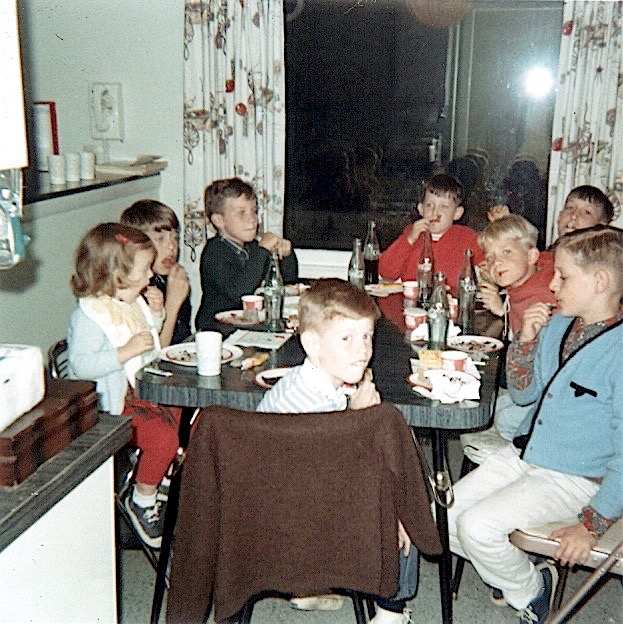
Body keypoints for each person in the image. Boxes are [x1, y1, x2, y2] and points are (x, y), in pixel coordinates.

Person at [447, 225, 623, 624]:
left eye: (563, 275)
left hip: (577, 477)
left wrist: (590, 524)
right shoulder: (559, 326)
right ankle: (531, 580)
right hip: (526, 453)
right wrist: (525, 341)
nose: (552, 283)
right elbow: (525, 394)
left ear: (600, 281)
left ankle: (531, 595)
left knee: (477, 527)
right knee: (443, 518)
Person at [258, 279, 435, 624]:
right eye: (346, 338)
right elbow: (335, 475)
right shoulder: (316, 403)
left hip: (276, 512)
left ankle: (309, 590)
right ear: (311, 343)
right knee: (406, 500)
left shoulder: (300, 383)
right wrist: (359, 419)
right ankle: (391, 612)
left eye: (367, 336)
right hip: (297, 527)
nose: (362, 349)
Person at [67, 223, 183, 548]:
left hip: (137, 392)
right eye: (145, 269)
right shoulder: (89, 316)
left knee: (181, 409)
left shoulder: (128, 302)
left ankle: (153, 475)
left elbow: (145, 340)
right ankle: (142, 500)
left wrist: (156, 315)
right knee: (163, 437)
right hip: (110, 409)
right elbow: (81, 364)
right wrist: (125, 351)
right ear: (117, 276)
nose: (150, 277)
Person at [195, 177, 298, 331]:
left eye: (254, 211)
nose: (252, 219)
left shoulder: (252, 248)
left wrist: (287, 253)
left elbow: (287, 279)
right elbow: (238, 291)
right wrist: (262, 250)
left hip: (247, 326)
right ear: (219, 220)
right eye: (241, 212)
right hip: (217, 330)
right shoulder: (214, 252)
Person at [378, 172, 484, 296]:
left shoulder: (468, 238)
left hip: (451, 304)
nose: (435, 212)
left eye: (443, 207)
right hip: (412, 305)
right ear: (421, 209)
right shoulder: (411, 234)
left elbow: (487, 268)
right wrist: (409, 240)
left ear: (457, 213)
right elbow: (385, 272)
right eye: (429, 205)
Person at [120, 199, 191, 347]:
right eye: (160, 239)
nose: (172, 246)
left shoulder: (167, 278)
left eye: (175, 238)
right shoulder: (132, 290)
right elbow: (153, 353)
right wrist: (172, 304)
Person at [478, 214, 557, 338]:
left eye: (507, 252)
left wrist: (502, 311)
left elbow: (534, 350)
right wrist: (503, 312)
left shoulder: (544, 297)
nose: (496, 262)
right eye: (490, 257)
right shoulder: (521, 285)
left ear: (531, 256)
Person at [488, 184, 615, 243]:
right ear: (559, 216)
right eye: (570, 207)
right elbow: (524, 252)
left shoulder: (594, 265)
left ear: (601, 227)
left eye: (587, 212)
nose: (574, 215)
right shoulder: (549, 256)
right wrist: (506, 224)